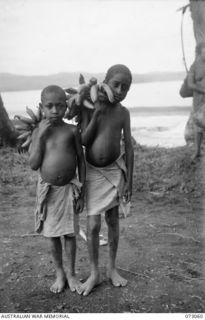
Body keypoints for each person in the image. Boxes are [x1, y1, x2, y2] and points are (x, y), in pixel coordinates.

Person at [78, 64, 134, 296]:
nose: (120, 90)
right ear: (106, 82)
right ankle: (94, 273)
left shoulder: (123, 113)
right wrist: (98, 113)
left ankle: (111, 268)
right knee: (92, 225)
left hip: (113, 171)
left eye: (126, 87)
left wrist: (130, 179)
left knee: (112, 220)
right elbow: (84, 140)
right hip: (92, 171)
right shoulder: (91, 106)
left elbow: (128, 146)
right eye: (116, 84)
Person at [29, 85, 86, 294]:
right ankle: (59, 273)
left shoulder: (72, 130)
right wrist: (41, 136)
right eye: (49, 106)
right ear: (42, 107)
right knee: (53, 234)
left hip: (68, 190)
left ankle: (71, 273)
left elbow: (81, 161)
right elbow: (34, 164)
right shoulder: (38, 132)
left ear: (66, 107)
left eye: (60, 106)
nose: (54, 111)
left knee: (70, 234)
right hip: (49, 191)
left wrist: (83, 190)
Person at [187, 41, 205, 159]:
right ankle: (197, 151)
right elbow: (190, 84)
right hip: (199, 100)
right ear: (200, 52)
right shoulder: (194, 66)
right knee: (199, 125)